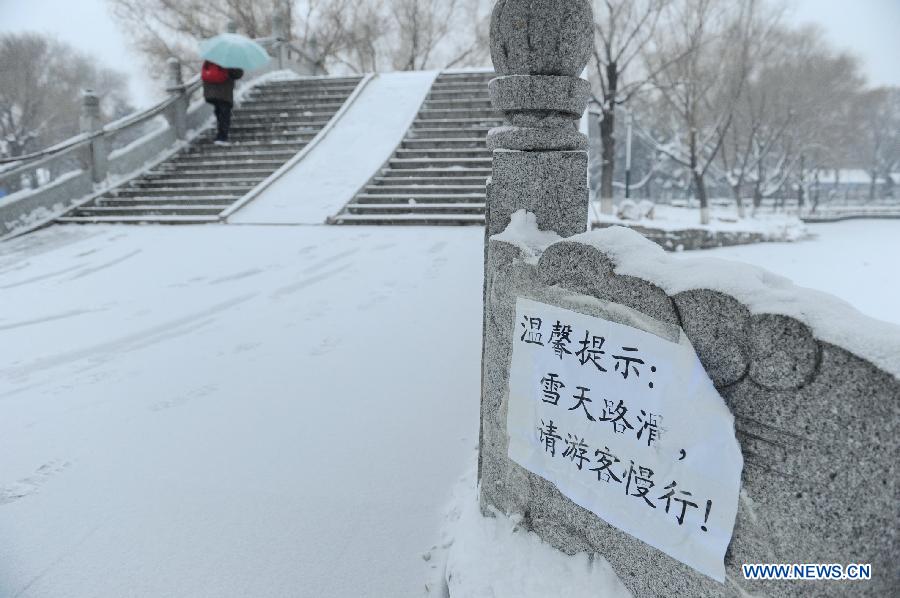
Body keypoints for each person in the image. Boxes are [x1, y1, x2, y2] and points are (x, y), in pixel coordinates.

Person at [201, 60, 244, 145]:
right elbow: (237, 74)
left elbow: (204, 74)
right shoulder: (228, 61)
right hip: (224, 93)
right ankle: (222, 137)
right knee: (224, 114)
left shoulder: (209, 60)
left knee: (219, 112)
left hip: (211, 93)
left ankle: (220, 134)